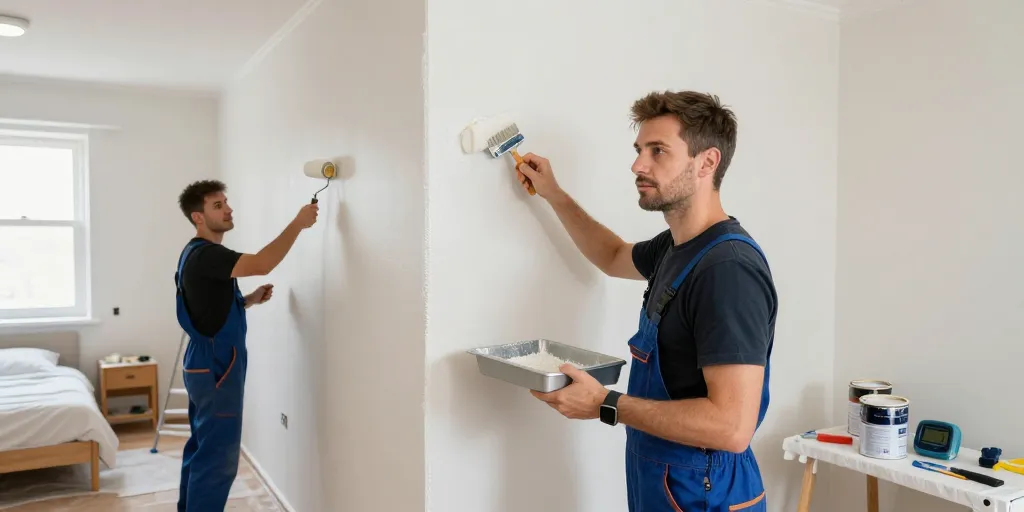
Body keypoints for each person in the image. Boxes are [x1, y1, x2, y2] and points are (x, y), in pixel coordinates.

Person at [519, 91, 778, 511]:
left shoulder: (727, 270)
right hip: (665, 479)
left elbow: (732, 427)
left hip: (706, 489)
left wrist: (606, 404)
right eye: (640, 150)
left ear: (707, 163)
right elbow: (613, 255)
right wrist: (554, 193)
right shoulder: (677, 247)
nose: (638, 164)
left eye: (658, 151)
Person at [173, 180, 318, 511]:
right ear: (198, 217)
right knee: (218, 457)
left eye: (226, 202)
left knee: (202, 445)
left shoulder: (191, 254)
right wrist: (298, 223)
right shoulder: (208, 254)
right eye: (217, 206)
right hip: (216, 364)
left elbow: (206, 306)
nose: (228, 209)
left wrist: (247, 301)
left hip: (202, 361)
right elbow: (262, 263)